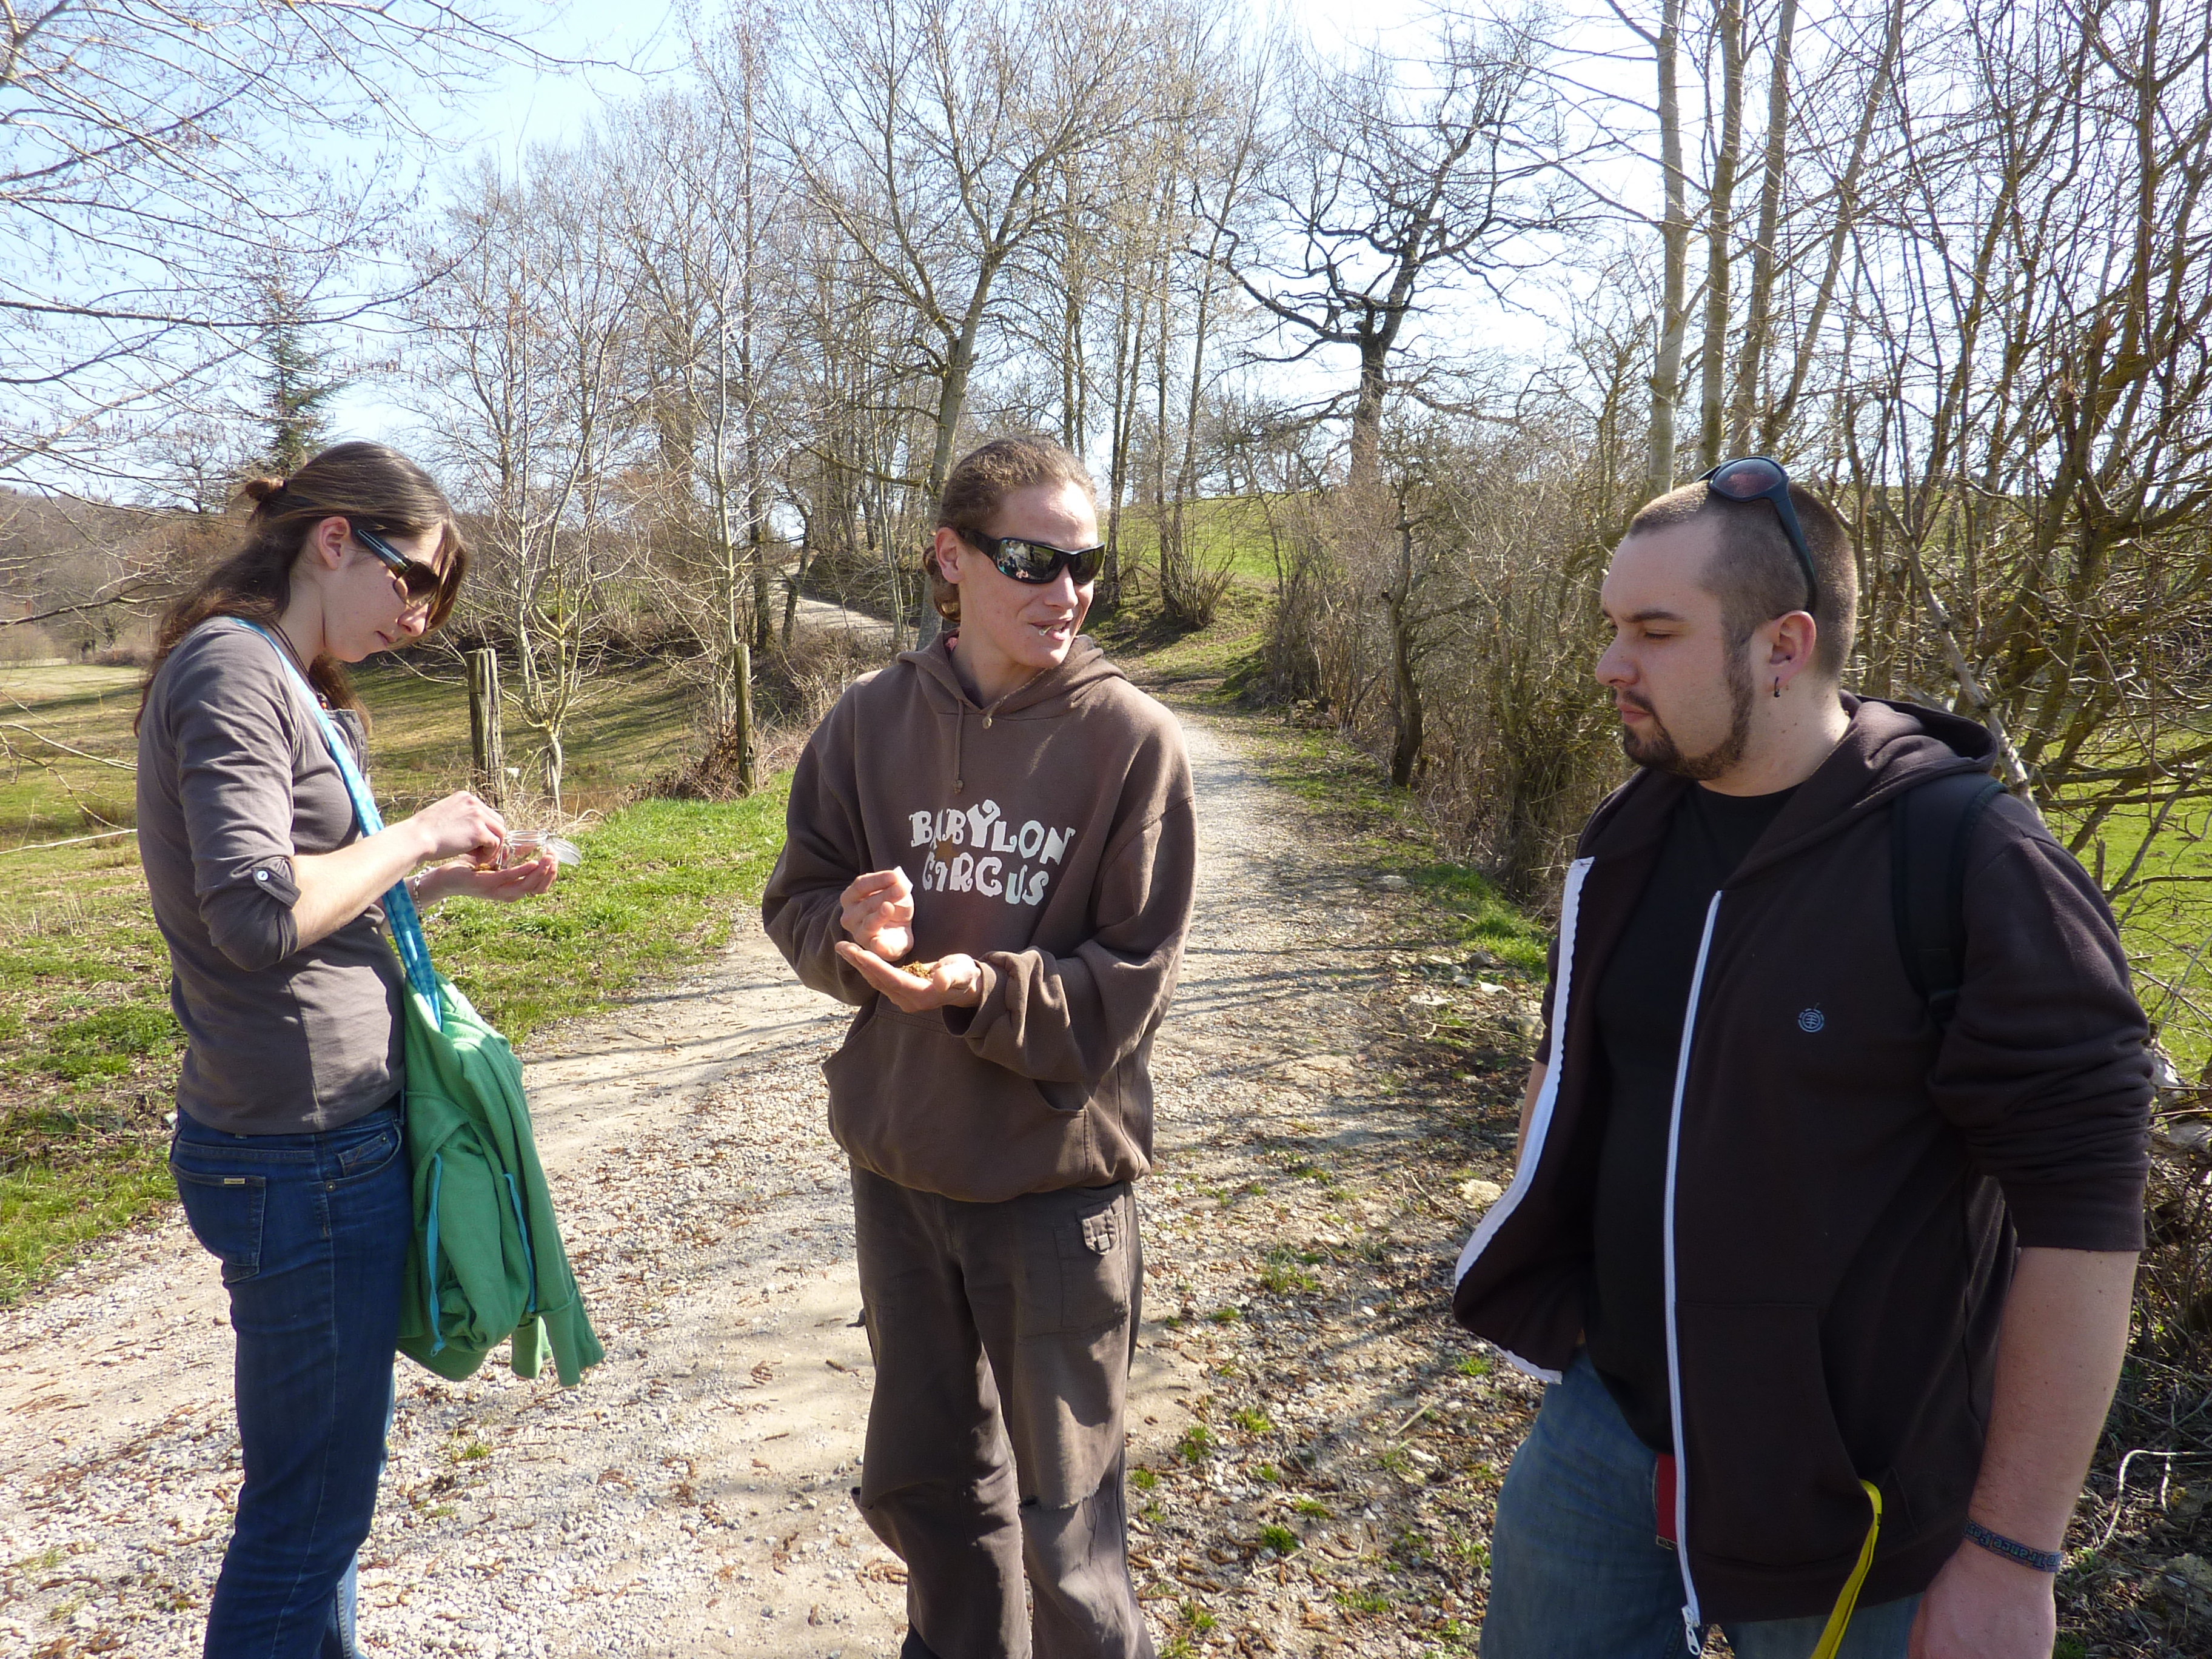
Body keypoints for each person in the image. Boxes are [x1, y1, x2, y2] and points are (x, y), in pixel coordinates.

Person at [1453, 458, 2151, 1659]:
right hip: (1606, 1438)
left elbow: (2084, 1217)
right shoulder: (1627, 832)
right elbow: (1569, 1074)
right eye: (1611, 627)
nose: (1611, 664)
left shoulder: (1970, 862)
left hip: (1859, 1508)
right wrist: (1564, 1318)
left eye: (1654, 632)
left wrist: (2012, 1554)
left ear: (1784, 645)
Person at [762, 435, 1196, 1659]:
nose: (1066, 590)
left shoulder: (1133, 742)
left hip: (1054, 1188)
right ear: (950, 559)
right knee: (933, 1496)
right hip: (901, 1176)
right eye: (1032, 560)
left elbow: (1131, 984)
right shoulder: (868, 722)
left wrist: (980, 987)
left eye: (1085, 563)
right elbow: (796, 900)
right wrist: (847, 928)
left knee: (1069, 1531)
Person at [136, 442, 558, 1658]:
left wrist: (447, 883)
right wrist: (420, 830)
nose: (419, 619)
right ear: (334, 540)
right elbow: (256, 917)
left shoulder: (285, 677)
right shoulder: (232, 669)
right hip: (299, 1154)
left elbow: (317, 905)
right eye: (412, 582)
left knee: (324, 1508)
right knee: (305, 1521)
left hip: (322, 1142)